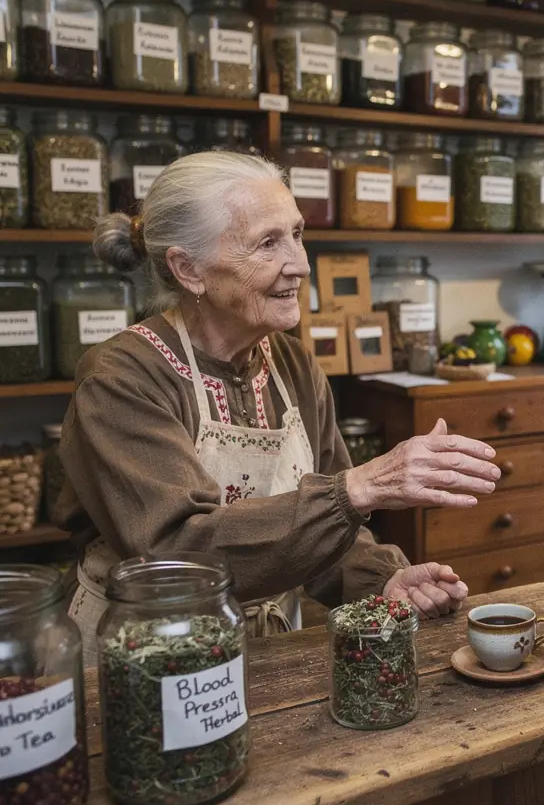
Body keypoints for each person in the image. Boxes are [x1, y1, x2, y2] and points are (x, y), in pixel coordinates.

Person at [56, 151, 501, 662]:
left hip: (271, 650)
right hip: (145, 655)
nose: (301, 264)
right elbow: (178, 551)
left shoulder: (292, 365)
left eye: (297, 234)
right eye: (268, 243)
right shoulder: (121, 377)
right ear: (188, 268)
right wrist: (359, 488)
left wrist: (382, 578)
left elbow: (323, 535)